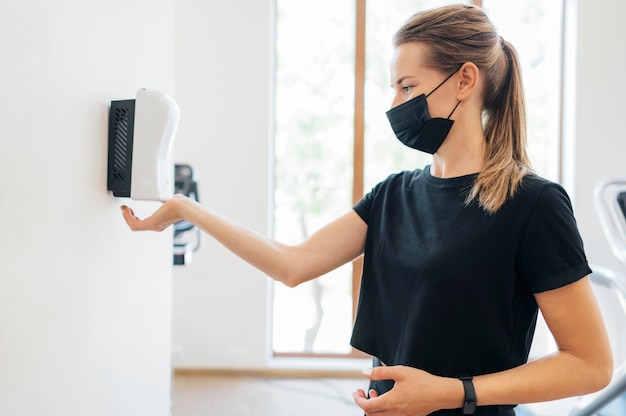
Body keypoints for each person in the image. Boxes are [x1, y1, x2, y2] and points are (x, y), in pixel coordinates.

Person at [121, 4, 613, 415]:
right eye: (393, 88)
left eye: (408, 87)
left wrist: (454, 391)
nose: (395, 103)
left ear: (465, 80)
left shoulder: (533, 204)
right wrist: (187, 209)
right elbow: (292, 264)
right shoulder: (392, 195)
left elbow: (590, 363)